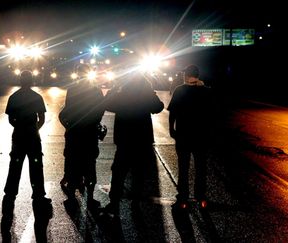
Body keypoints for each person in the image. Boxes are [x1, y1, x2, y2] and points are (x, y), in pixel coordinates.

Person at [103, 73, 164, 217]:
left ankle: (114, 202)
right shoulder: (146, 93)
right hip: (142, 139)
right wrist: (151, 93)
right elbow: (159, 107)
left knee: (118, 173)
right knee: (139, 173)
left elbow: (106, 103)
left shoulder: (122, 93)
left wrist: (114, 89)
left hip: (124, 139)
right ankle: (135, 203)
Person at [2, 69, 51, 214]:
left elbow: (11, 119)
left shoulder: (14, 97)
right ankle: (38, 194)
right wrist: (35, 129)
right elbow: (41, 118)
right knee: (36, 165)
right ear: (31, 81)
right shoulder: (36, 97)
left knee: (15, 165)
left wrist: (19, 127)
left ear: (20, 81)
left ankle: (10, 193)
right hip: (32, 136)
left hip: (18, 135)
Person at [59, 63, 105, 210]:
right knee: (90, 165)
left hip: (75, 132)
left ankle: (72, 196)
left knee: (73, 164)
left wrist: (68, 124)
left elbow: (68, 110)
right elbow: (100, 111)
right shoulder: (97, 91)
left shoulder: (72, 90)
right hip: (90, 133)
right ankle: (90, 197)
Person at [167, 64, 212, 210]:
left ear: (186, 75)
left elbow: (172, 112)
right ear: (198, 75)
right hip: (201, 136)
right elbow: (213, 115)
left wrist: (171, 129)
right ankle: (201, 196)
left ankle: (183, 197)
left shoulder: (180, 90)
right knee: (201, 167)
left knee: (183, 167)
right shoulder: (206, 91)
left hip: (183, 135)